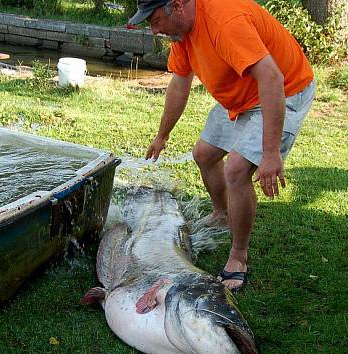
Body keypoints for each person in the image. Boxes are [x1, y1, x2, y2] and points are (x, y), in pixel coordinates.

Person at [131, 0, 315, 290]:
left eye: (154, 21)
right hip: (243, 93)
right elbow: (180, 84)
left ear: (177, 6)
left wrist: (270, 153)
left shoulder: (223, 21)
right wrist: (162, 135)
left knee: (237, 170)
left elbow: (271, 77)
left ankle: (238, 257)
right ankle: (222, 214)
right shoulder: (183, 34)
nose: (154, 31)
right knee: (203, 155)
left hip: (284, 90)